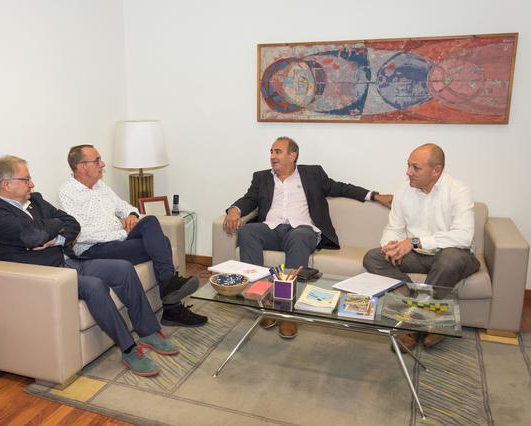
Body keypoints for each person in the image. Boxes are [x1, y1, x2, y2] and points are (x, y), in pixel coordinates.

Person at [0, 155, 179, 377]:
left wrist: (55, 235)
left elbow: (72, 224)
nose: (32, 184)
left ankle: (149, 332)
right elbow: (33, 236)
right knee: (94, 286)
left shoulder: (35, 200)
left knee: (123, 268)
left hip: (68, 261)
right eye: (26, 179)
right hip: (47, 276)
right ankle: (129, 349)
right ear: (6, 185)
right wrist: (55, 225)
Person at [223, 137, 392, 338]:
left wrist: (375, 195)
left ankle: (287, 312)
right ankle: (262, 302)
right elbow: (249, 199)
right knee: (248, 231)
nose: (272, 156)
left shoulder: (312, 174)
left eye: (278, 152)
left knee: (299, 236)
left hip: (303, 231)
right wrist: (234, 210)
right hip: (272, 230)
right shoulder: (261, 177)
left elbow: (341, 188)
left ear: (292, 155)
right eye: (271, 152)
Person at [57, 145, 207, 328]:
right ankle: (172, 307)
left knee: (150, 221)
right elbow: (80, 234)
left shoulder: (100, 186)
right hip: (94, 250)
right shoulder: (67, 194)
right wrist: (122, 231)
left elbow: (126, 207)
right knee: (163, 243)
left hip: (117, 240)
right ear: (82, 166)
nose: (102, 164)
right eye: (97, 161)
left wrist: (132, 216)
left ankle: (169, 287)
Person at [363, 143, 480, 352]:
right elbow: (394, 228)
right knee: (374, 257)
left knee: (449, 259)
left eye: (415, 168)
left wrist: (414, 242)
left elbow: (463, 237)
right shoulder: (404, 190)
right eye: (408, 165)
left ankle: (411, 324)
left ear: (436, 170)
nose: (408, 172)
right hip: (419, 255)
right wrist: (390, 246)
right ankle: (426, 315)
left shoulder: (458, 190)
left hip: (455, 255)